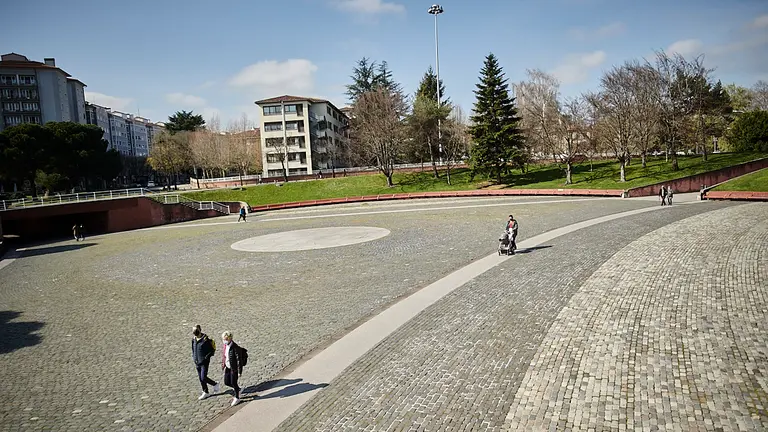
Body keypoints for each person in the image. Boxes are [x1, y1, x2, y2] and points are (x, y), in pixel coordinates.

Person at [192, 325, 219, 400]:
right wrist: (194, 357)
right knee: (200, 378)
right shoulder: (194, 339)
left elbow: (211, 351)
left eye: (195, 331)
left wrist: (206, 358)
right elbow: (193, 349)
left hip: (204, 362)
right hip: (197, 361)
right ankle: (205, 391)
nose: (194, 333)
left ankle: (215, 384)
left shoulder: (205, 340)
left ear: (200, 330)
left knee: (203, 377)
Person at [221, 331, 242, 406]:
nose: (224, 341)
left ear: (230, 339)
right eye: (223, 339)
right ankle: (238, 390)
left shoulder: (235, 347)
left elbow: (239, 360)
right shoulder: (225, 346)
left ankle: (237, 397)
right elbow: (224, 356)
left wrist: (239, 371)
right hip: (228, 366)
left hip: (234, 368)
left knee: (234, 382)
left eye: (226, 339)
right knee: (227, 382)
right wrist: (223, 365)